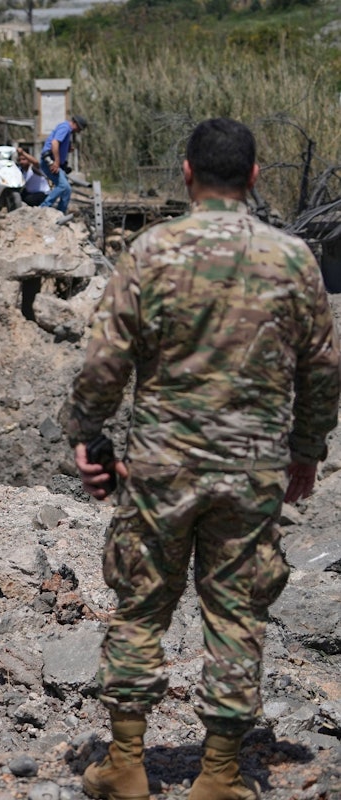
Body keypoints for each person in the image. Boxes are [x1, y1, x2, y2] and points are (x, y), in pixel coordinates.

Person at [64, 118, 340, 800]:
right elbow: (324, 368)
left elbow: (104, 360)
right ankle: (217, 776)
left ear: (186, 174)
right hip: (249, 472)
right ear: (251, 178)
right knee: (237, 612)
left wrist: (86, 431)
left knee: (140, 607)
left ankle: (125, 764)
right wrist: (307, 450)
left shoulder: (150, 252)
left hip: (161, 467)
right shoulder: (292, 259)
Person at [40, 113, 87, 213]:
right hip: (50, 161)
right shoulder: (65, 128)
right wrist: (56, 162)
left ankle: (61, 212)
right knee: (63, 186)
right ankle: (43, 207)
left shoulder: (68, 131)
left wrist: (67, 149)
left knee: (67, 190)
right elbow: (54, 143)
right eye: (79, 129)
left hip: (55, 162)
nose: (78, 131)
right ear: (75, 124)